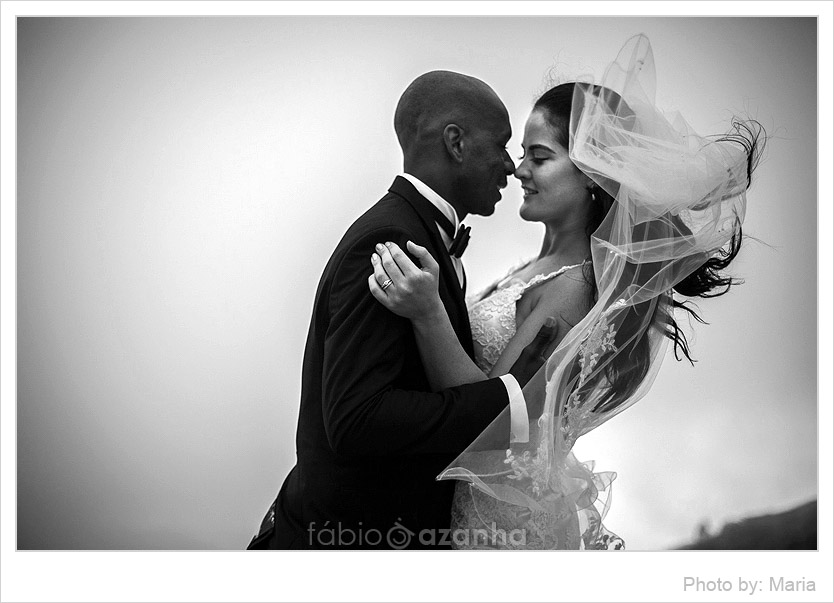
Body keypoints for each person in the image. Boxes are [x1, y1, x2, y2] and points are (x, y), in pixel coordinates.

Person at [369, 34, 764, 549]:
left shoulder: (572, 288)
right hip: (469, 506)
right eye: (520, 155)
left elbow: (492, 424)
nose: (518, 171)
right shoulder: (534, 269)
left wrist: (428, 314)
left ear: (594, 175)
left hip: (500, 525)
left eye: (540, 157)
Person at [248, 70, 543, 549]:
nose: (510, 167)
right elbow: (358, 419)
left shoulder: (415, 232)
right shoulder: (388, 240)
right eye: (502, 144)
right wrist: (506, 406)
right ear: (457, 143)